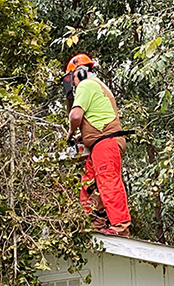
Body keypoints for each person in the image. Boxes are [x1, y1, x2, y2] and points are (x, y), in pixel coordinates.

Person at [63, 53, 131, 236]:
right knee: (88, 184)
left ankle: (120, 226)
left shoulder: (87, 85)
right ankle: (96, 222)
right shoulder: (97, 86)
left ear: (81, 73)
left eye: (72, 78)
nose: (73, 84)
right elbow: (95, 118)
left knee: (108, 182)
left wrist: (71, 132)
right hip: (99, 143)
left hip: (106, 143)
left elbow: (76, 116)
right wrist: (82, 137)